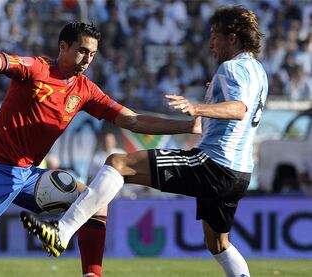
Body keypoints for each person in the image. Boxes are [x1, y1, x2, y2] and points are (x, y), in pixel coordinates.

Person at [0, 22, 201, 277]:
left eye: (92, 54)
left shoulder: (85, 90)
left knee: (96, 203)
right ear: (63, 47)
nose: (87, 59)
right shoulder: (36, 69)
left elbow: (133, 120)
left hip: (27, 175)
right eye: (82, 50)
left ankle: (92, 274)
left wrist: (186, 126)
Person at [21, 7, 268, 277]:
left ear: (232, 38)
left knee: (118, 163)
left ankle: (62, 231)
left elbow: (239, 109)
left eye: (214, 36)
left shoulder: (231, 68)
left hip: (214, 163)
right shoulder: (257, 71)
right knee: (218, 244)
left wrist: (197, 108)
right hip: (240, 173)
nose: (210, 43)